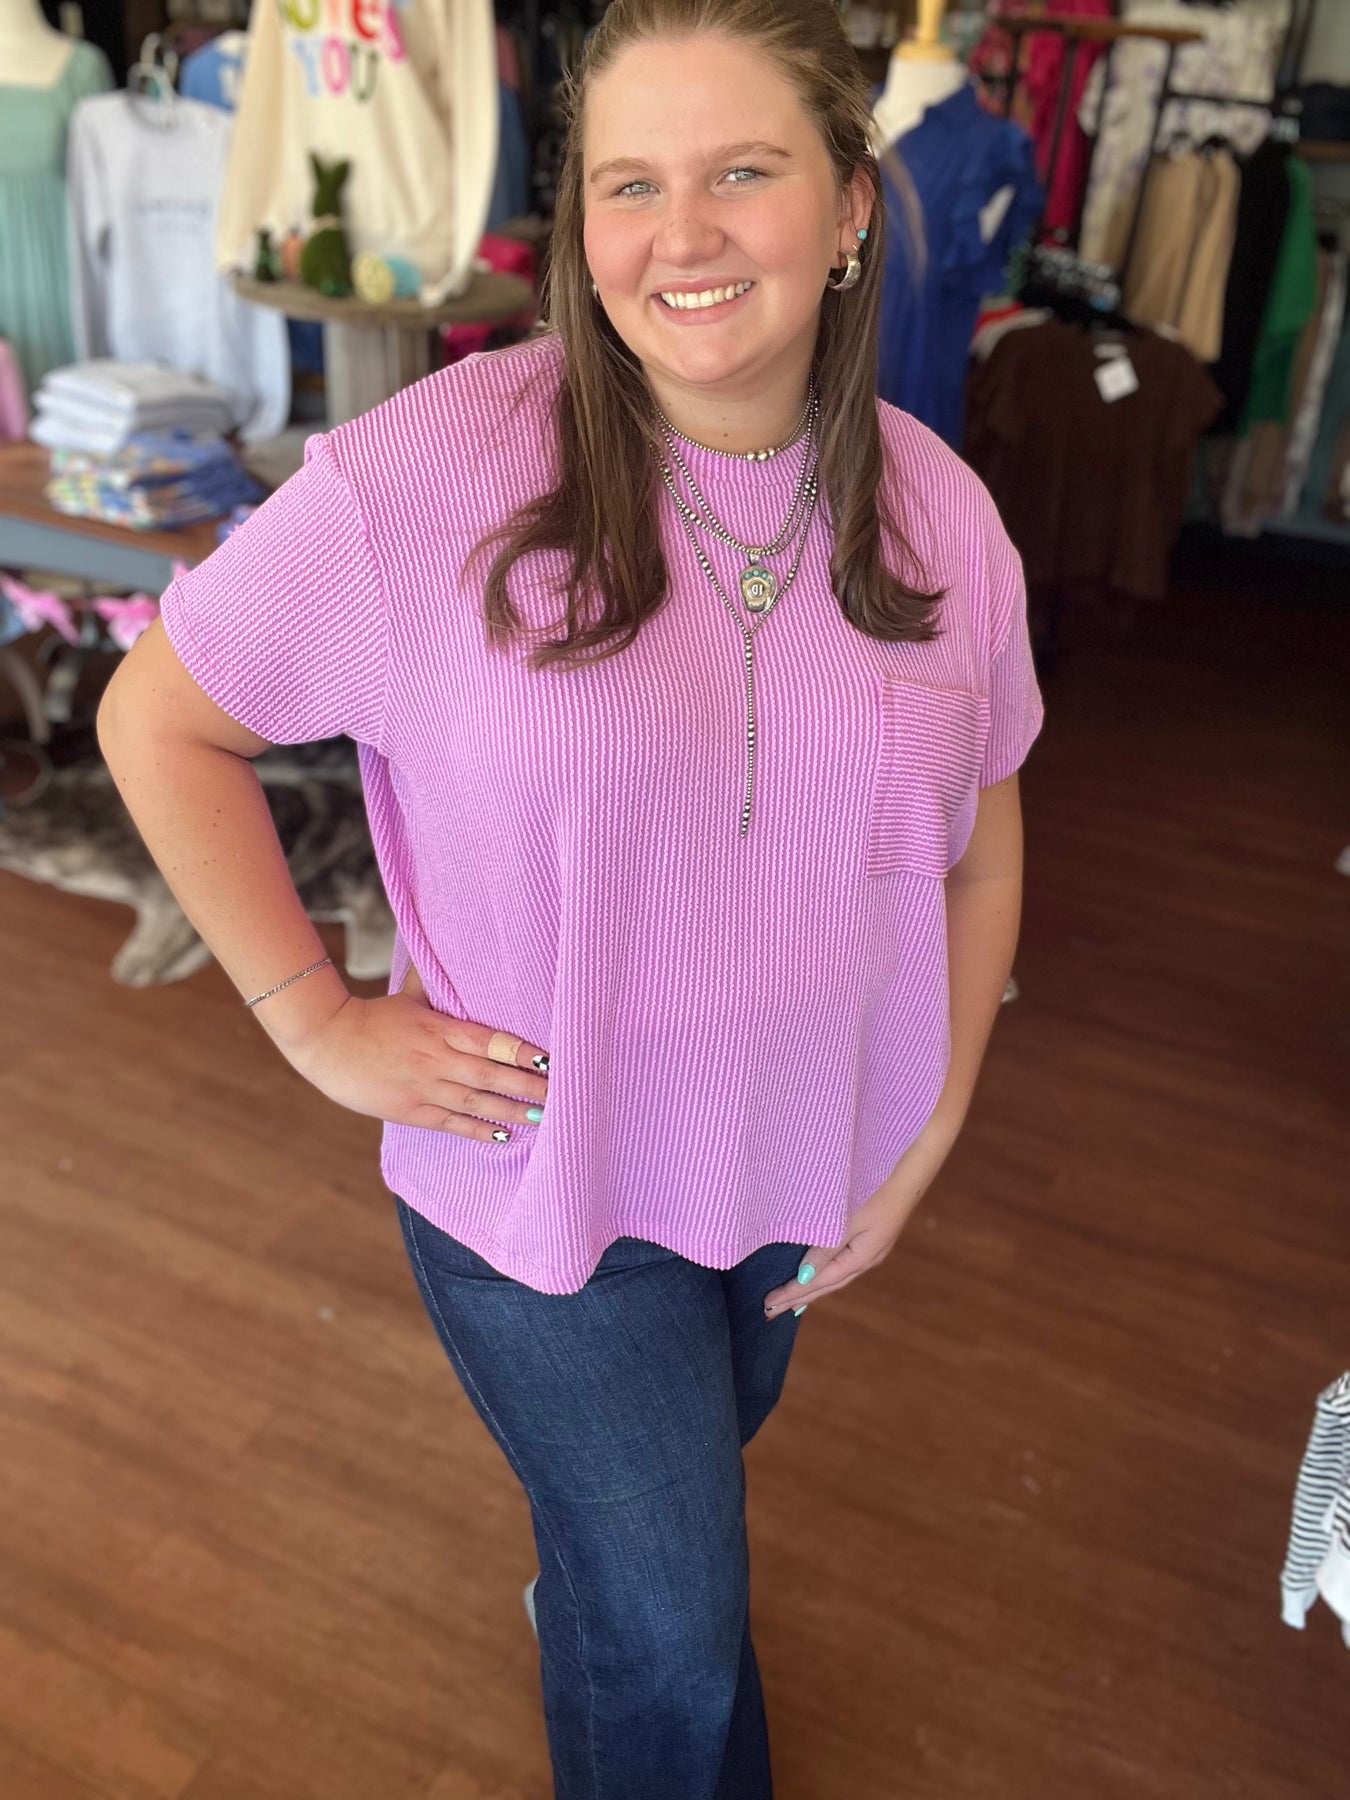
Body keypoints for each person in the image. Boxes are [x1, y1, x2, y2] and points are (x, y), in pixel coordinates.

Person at [96, 0, 1045, 1792]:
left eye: (740, 173)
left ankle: (594, 1594)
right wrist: (314, 1018)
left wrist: (925, 1130)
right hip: (538, 1188)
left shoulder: (943, 516)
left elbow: (982, 842)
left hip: (796, 1176)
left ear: (850, 205)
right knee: (678, 1636)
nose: (679, 236)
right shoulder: (430, 475)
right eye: (629, 184)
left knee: (653, 1546)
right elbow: (159, 716)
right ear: (579, 219)